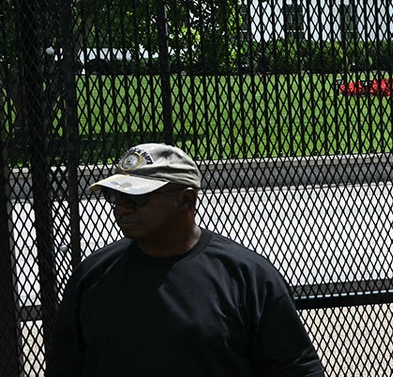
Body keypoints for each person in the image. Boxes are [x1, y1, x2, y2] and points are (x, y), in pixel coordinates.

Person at [45, 143, 326, 377]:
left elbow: (296, 368)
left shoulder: (246, 275)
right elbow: (65, 367)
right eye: (114, 196)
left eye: (137, 197)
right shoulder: (94, 274)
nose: (121, 208)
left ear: (186, 200)